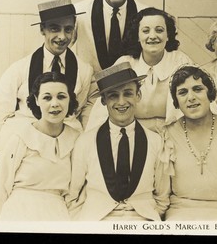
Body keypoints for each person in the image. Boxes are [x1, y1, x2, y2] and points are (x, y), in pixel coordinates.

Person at [0, 0, 95, 156]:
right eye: (54, 29)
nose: (62, 36)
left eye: (68, 29)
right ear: (42, 29)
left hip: (66, 151)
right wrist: (22, 146)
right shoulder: (19, 69)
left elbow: (78, 113)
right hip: (28, 151)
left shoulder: (84, 71)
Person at [66, 62, 168, 221]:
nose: (121, 102)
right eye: (113, 95)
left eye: (128, 93)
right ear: (103, 101)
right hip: (97, 219)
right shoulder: (85, 142)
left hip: (142, 219)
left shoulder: (155, 141)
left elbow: (162, 197)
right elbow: (73, 195)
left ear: (138, 95)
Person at [158, 65, 217, 220]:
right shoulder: (167, 135)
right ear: (176, 101)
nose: (191, 98)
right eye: (182, 92)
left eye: (197, 89)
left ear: (210, 94)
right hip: (180, 214)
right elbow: (162, 193)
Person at [86, 7, 193, 132]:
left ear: (168, 35)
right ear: (137, 36)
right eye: (145, 31)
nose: (152, 36)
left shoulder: (181, 62)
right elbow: (102, 111)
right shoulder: (125, 64)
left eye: (159, 30)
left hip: (175, 134)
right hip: (133, 134)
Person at [0, 72, 80, 221]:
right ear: (37, 100)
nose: (55, 103)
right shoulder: (20, 137)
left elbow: (77, 190)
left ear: (70, 99)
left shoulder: (76, 139)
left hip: (58, 213)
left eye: (61, 96)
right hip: (19, 210)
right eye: (47, 97)